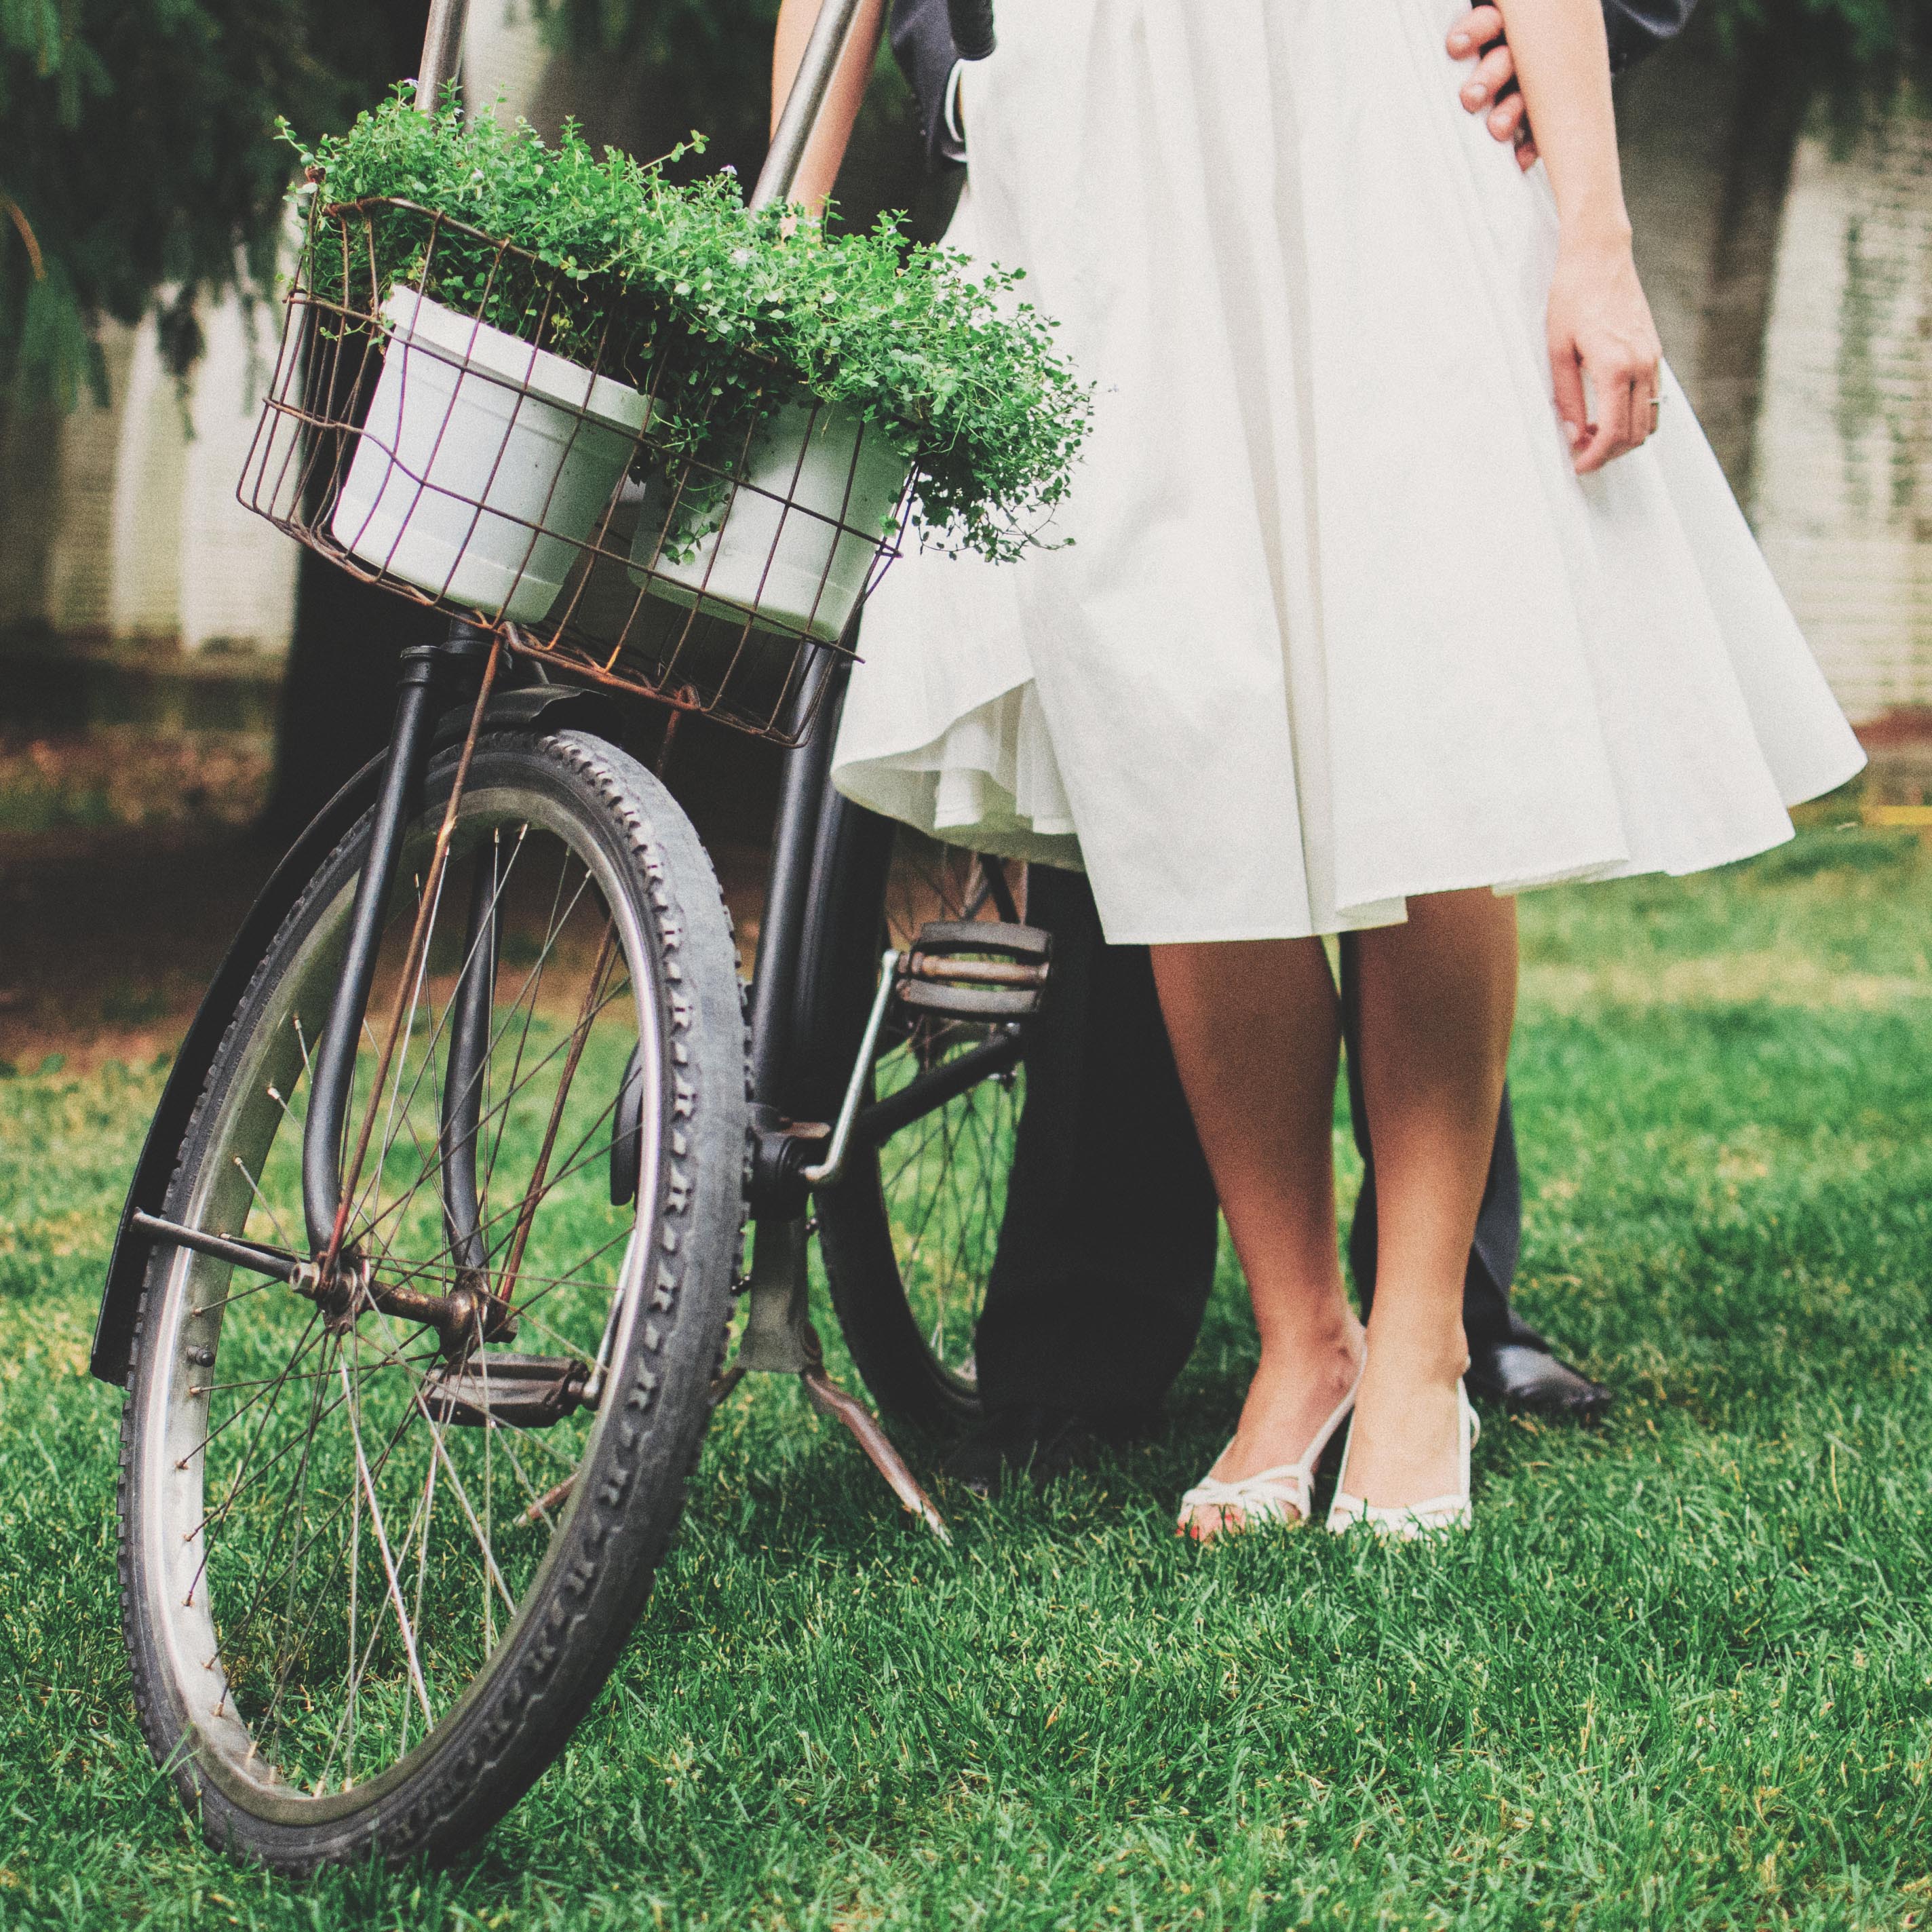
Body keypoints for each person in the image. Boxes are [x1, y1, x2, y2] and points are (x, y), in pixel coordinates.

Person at [777, 0, 1864, 1539]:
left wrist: (1594, 239)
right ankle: (1305, 1339)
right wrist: (783, 237)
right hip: (1093, 158)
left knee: (1415, 716)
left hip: (1366, 120)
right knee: (1174, 745)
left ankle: (1418, 1342)